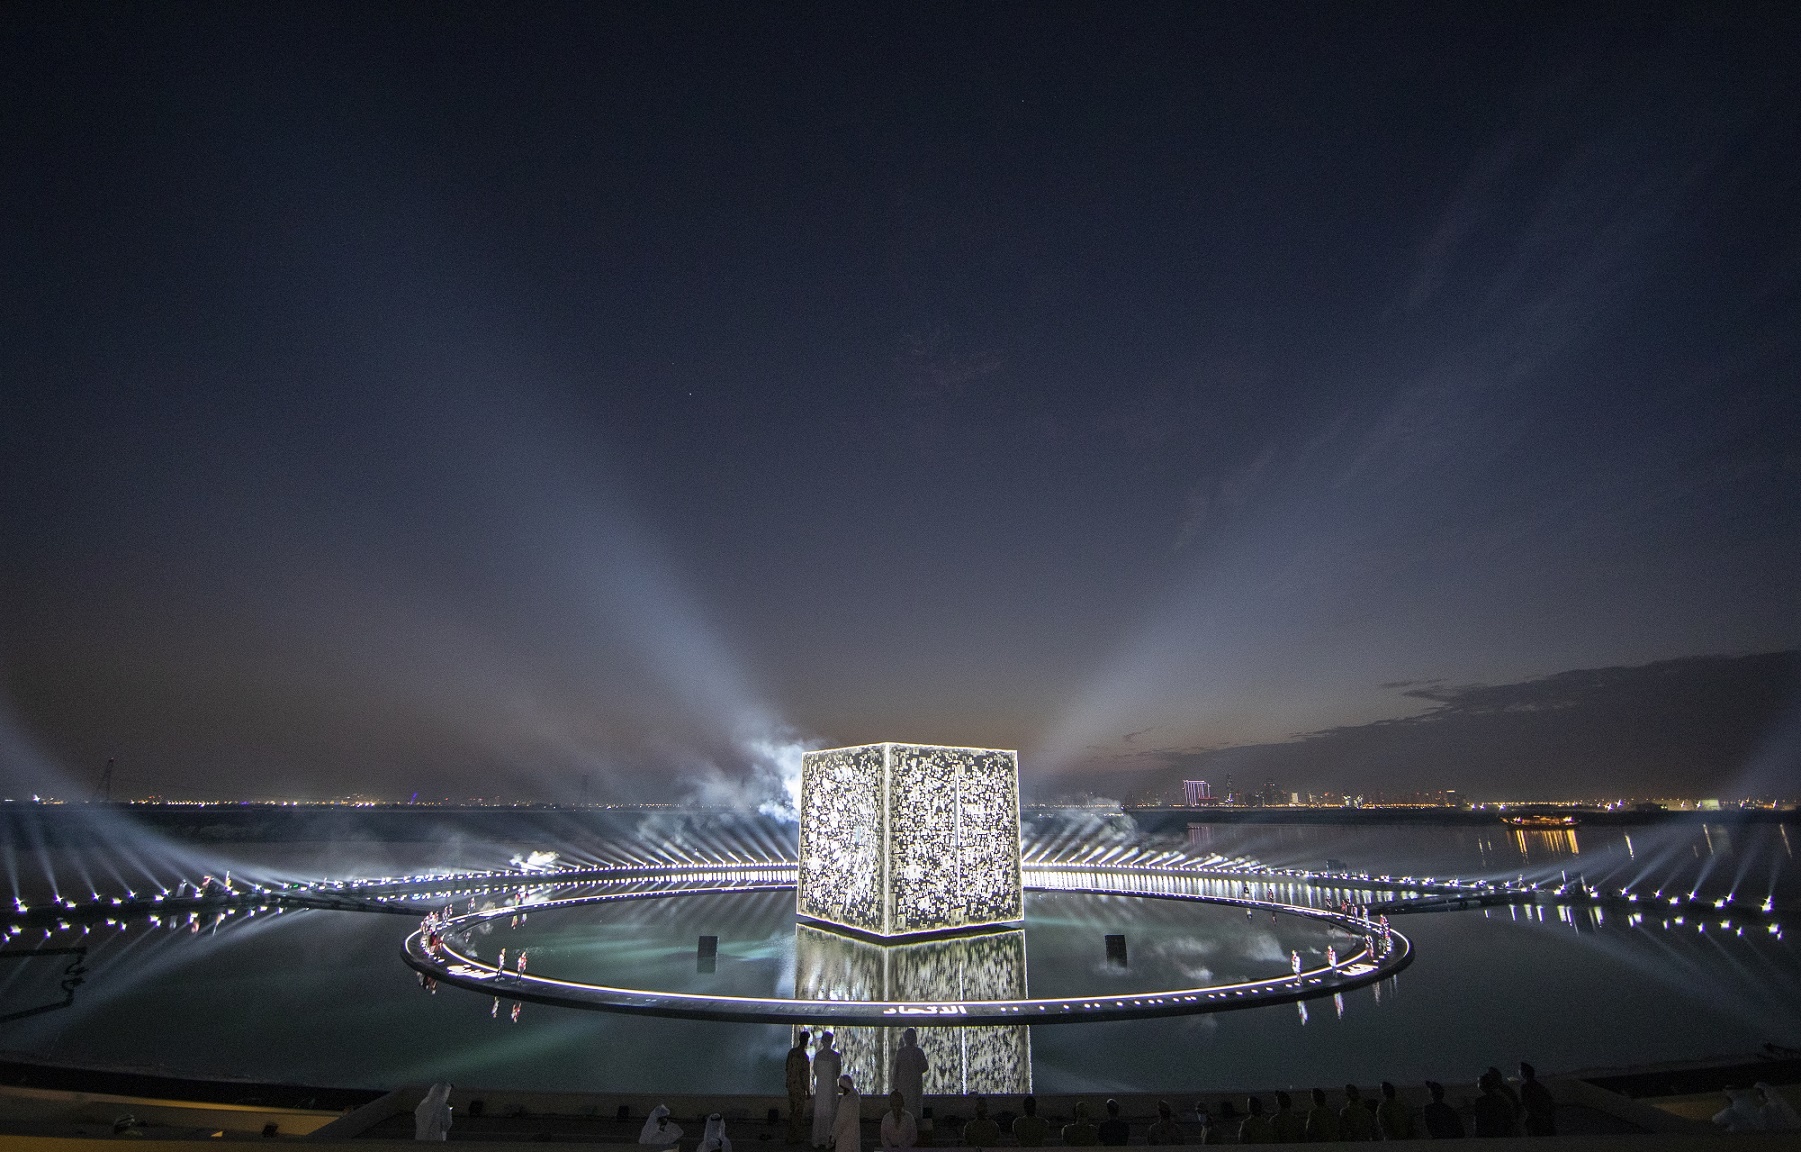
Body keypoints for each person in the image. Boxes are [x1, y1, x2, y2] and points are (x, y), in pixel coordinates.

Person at [813, 1033, 843, 1148]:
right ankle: (828, 1140)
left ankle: (817, 1140)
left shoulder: (818, 1056)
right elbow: (838, 1073)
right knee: (830, 1112)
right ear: (831, 1041)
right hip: (830, 1088)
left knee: (819, 1113)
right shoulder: (836, 1056)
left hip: (821, 1088)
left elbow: (816, 1071)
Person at [893, 1029, 929, 1125]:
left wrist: (895, 1085)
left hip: (903, 1085)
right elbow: (925, 1067)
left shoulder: (900, 1052)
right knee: (914, 1107)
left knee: (905, 1107)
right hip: (914, 1084)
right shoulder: (918, 1052)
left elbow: (895, 1070)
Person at [787, 1031, 813, 1144]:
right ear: (806, 1042)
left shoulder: (791, 1053)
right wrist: (807, 1090)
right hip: (799, 1089)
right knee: (798, 1113)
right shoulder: (803, 1056)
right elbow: (805, 1076)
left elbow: (787, 1068)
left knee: (792, 1112)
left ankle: (790, 1135)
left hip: (791, 1087)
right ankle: (795, 1137)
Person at [1471, 1072, 1515, 1138]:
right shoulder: (1502, 1099)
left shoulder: (1480, 1101)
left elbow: (1478, 1121)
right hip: (1501, 1134)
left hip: (1486, 1134)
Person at [1518, 1064, 1554, 1137]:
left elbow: (1527, 1104)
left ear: (1524, 1073)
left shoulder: (1525, 1087)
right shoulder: (1539, 1086)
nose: (1519, 1072)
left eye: (1520, 1070)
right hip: (1544, 1120)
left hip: (1535, 1121)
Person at [832, 1076, 863, 1152]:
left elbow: (841, 1121)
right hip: (853, 1134)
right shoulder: (854, 1097)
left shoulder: (847, 1101)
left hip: (845, 1137)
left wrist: (833, 1136)